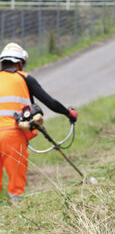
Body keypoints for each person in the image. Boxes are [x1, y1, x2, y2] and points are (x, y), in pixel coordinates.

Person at [0, 42, 78, 202]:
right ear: (20, 62)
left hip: (11, 133)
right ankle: (17, 211)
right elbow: (50, 103)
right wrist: (68, 113)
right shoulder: (24, 78)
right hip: (12, 136)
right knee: (16, 184)